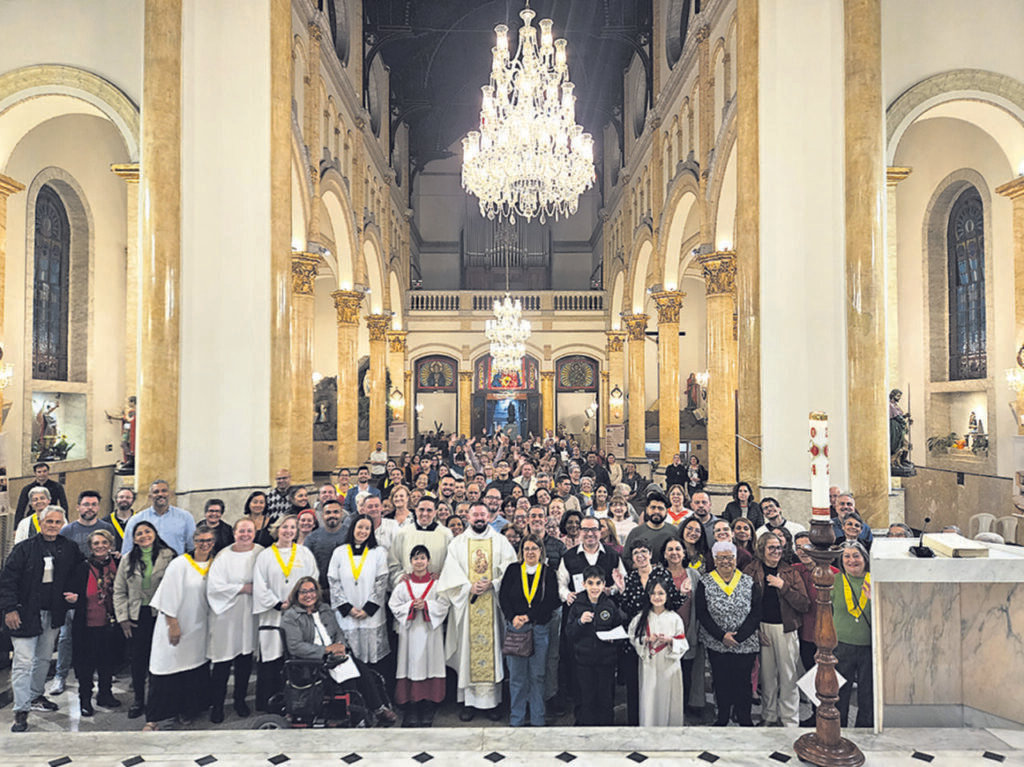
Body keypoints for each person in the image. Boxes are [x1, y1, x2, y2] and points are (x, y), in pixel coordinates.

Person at [0, 507, 83, 732]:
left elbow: (80, 571)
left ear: (62, 524)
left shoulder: (69, 548)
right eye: (49, 521)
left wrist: (75, 594)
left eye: (57, 522)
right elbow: (7, 580)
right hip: (24, 613)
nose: (53, 525)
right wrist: (9, 609)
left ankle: (36, 696)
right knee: (23, 662)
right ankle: (21, 710)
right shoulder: (24, 549)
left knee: (44, 659)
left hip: (53, 612)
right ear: (40, 521)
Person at [437, 502, 518, 721]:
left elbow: (511, 571)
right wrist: (467, 587)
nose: (479, 518)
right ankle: (469, 703)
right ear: (468, 517)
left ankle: (493, 703)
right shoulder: (458, 543)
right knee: (467, 653)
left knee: (493, 652)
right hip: (467, 606)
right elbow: (450, 574)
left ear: (489, 516)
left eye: (483, 514)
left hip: (493, 605)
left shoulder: (500, 542)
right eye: (475, 515)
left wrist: (494, 583)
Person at [280, 576, 396, 726]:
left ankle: (373, 710)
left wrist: (340, 646)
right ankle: (365, 714)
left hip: (334, 655)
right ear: (296, 595)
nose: (309, 595)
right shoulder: (290, 616)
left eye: (312, 591)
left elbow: (338, 632)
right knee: (350, 674)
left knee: (361, 669)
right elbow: (295, 646)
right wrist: (326, 650)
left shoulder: (324, 609)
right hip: (311, 660)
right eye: (303, 592)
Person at [143, 525, 216, 731]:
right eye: (200, 541)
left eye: (209, 541)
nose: (204, 545)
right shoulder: (180, 564)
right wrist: (173, 624)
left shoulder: (216, 564)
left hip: (199, 627)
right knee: (166, 667)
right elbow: (167, 595)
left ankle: (188, 710)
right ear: (194, 541)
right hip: (175, 624)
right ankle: (155, 718)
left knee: (193, 670)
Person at [253, 514, 319, 711]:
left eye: (292, 527)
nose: (288, 531)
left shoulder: (304, 553)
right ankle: (270, 703)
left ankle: (298, 702)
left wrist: (301, 601)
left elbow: (313, 577)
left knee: (296, 656)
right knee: (272, 656)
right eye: (284, 527)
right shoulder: (265, 555)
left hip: (298, 612)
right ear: (277, 529)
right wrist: (277, 604)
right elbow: (259, 583)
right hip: (273, 613)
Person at [743, 530, 809, 726]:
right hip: (763, 628)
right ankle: (769, 715)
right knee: (767, 677)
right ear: (762, 549)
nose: (776, 551)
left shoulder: (790, 572)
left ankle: (790, 719)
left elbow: (804, 604)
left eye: (779, 547)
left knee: (788, 676)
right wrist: (755, 630)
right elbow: (744, 604)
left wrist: (783, 586)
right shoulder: (751, 570)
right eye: (771, 547)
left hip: (786, 629)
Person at [113, 521, 175, 719]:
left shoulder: (169, 556)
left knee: (161, 659)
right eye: (139, 533)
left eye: (147, 531)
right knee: (138, 660)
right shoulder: (127, 559)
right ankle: (139, 700)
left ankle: (159, 700)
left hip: (162, 615)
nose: (144, 536)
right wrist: (123, 618)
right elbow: (119, 591)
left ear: (155, 533)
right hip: (137, 616)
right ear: (133, 539)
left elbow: (176, 587)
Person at [696, 541, 762, 727]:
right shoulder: (705, 582)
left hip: (745, 643)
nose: (726, 561)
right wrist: (722, 636)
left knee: (743, 682)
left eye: (729, 557)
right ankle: (722, 717)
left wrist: (739, 637)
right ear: (714, 560)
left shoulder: (748, 581)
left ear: (736, 558)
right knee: (721, 681)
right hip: (717, 643)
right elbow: (702, 612)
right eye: (721, 558)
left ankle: (744, 718)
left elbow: (756, 612)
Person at [498, 533, 561, 727]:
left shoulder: (548, 573)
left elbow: (551, 600)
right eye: (527, 548)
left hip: (539, 628)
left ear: (541, 551)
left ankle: (537, 718)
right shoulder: (513, 570)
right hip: (516, 629)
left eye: (534, 548)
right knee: (517, 677)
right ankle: (516, 718)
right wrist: (513, 617)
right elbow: (503, 597)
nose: (530, 552)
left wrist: (529, 617)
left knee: (538, 676)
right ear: (521, 551)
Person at [206, 517, 262, 723]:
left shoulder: (261, 553)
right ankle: (217, 705)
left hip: (249, 615)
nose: (245, 535)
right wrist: (243, 588)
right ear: (234, 533)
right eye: (241, 531)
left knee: (244, 660)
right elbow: (214, 587)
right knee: (222, 662)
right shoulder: (224, 555)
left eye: (249, 531)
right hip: (226, 615)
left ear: (254, 533)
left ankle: (240, 700)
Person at [388, 545, 450, 727]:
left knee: (431, 664)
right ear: (410, 562)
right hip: (411, 632)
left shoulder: (437, 584)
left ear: (428, 561)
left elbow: (444, 604)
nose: (419, 562)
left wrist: (427, 606)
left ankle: (429, 704)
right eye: (416, 558)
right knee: (411, 665)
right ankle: (412, 705)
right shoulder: (403, 585)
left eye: (423, 558)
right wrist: (410, 607)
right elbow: (394, 604)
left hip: (431, 632)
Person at [69, 529, 122, 716]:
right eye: (96, 543)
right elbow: (74, 591)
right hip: (87, 625)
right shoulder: (82, 568)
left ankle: (105, 694)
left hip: (111, 624)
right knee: (86, 665)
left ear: (110, 545)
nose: (100, 546)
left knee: (108, 662)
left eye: (104, 542)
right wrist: (74, 598)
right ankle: (85, 700)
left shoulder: (117, 563)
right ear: (90, 547)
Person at [565, 565, 627, 726]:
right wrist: (580, 622)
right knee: (586, 697)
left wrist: (614, 639)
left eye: (598, 583)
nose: (594, 587)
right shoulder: (577, 605)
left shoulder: (610, 605)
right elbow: (569, 633)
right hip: (584, 661)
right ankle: (585, 727)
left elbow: (620, 629)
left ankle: (606, 727)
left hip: (606, 661)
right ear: (584, 584)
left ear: (604, 584)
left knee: (605, 697)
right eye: (590, 583)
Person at [328, 514, 390, 671]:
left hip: (371, 615)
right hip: (347, 615)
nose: (363, 531)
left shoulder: (378, 552)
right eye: (360, 527)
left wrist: (368, 609)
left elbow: (381, 581)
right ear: (352, 528)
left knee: (372, 660)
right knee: (349, 660)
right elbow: (333, 581)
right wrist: (347, 608)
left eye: (367, 528)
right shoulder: (339, 552)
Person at [629, 579, 688, 726]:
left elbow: (683, 643)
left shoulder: (674, 618)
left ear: (667, 595)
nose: (657, 597)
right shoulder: (641, 618)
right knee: (649, 700)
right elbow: (633, 638)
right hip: (649, 665)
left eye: (661, 593)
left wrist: (670, 641)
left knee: (669, 700)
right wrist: (646, 640)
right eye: (653, 593)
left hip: (669, 666)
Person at [662, 537, 705, 716]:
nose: (674, 553)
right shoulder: (659, 574)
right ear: (665, 554)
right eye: (670, 549)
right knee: (667, 674)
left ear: (684, 553)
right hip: (665, 634)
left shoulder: (694, 575)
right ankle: (667, 709)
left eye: (678, 549)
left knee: (686, 674)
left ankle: (683, 709)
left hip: (688, 631)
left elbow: (701, 605)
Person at [833, 541, 873, 728]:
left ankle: (864, 731)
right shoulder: (834, 580)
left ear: (865, 558)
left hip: (869, 646)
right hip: (841, 646)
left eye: (856, 555)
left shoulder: (875, 580)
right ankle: (838, 731)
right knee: (839, 693)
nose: (851, 560)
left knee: (868, 694)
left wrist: (875, 598)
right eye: (846, 556)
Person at [388, 495, 453, 587]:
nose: (425, 514)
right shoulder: (403, 533)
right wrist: (399, 577)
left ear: (435, 512)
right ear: (416, 510)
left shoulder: (446, 534)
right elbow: (393, 561)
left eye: (429, 510)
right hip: (408, 586)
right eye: (421, 509)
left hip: (435, 586)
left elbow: (451, 563)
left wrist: (442, 576)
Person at [120, 480, 196, 556]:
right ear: (150, 496)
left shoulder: (185, 517)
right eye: (156, 492)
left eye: (164, 491)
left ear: (169, 494)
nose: (160, 494)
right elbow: (127, 551)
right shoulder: (136, 520)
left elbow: (192, 548)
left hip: (176, 562)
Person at [302, 499, 348, 601]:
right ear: (322, 515)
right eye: (328, 512)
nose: (332, 515)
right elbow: (306, 567)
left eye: (336, 512)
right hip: (320, 592)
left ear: (341, 514)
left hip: (347, 590)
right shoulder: (312, 538)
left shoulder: (351, 535)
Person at [623, 491, 678, 566]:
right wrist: (642, 566)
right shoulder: (636, 532)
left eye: (660, 508)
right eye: (653, 507)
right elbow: (626, 559)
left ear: (666, 511)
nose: (656, 511)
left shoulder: (674, 531)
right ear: (646, 509)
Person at [14, 461, 69, 527]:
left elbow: (64, 505)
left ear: (48, 472)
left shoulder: (57, 487)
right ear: (35, 473)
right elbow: (20, 508)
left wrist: (66, 522)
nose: (42, 474)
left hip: (52, 518)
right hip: (34, 519)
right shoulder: (27, 489)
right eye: (39, 472)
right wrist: (16, 527)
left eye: (44, 471)